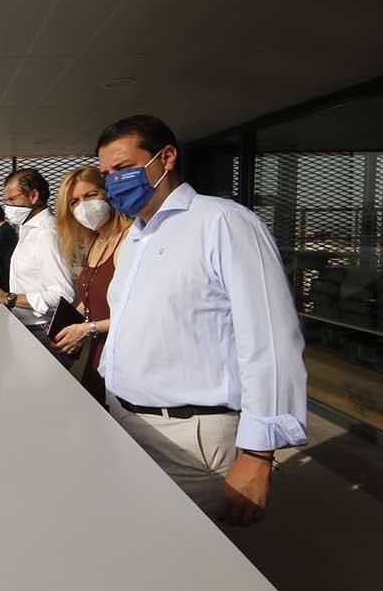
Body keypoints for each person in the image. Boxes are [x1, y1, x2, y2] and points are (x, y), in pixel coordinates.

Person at [95, 114, 307, 526]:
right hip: (125, 420)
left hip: (191, 439)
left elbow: (271, 341)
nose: (113, 183)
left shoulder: (222, 222)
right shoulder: (138, 237)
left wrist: (257, 454)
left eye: (122, 168)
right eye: (106, 174)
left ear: (166, 157)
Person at [50, 166, 131, 405]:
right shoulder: (95, 242)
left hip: (121, 358)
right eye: (74, 202)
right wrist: (62, 326)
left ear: (108, 194)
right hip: (95, 358)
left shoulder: (129, 241)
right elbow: (91, 296)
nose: (83, 207)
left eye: (90, 196)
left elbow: (139, 313)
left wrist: (87, 329)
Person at [0, 169, 76, 366]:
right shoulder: (29, 230)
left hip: (42, 335)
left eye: (12, 200)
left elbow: (63, 295)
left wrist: (9, 298)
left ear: (33, 196)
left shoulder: (46, 234)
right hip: (27, 330)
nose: (8, 207)